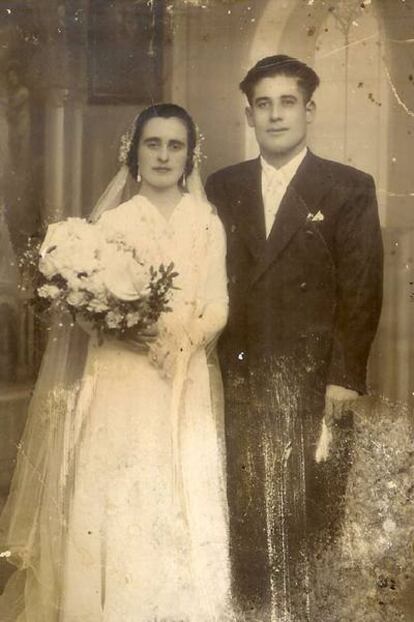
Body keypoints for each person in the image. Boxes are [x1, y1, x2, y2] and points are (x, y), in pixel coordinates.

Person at [0, 104, 233, 621]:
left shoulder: (206, 224)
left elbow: (218, 305)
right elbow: (85, 309)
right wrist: (120, 326)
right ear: (134, 152)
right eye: (154, 144)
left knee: (178, 494)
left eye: (176, 145)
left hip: (181, 375)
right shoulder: (111, 223)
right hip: (120, 379)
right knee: (117, 498)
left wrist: (179, 338)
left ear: (190, 155)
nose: (164, 156)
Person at [205, 55, 383, 621]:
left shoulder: (348, 186)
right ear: (250, 114)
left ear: (308, 109)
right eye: (264, 104)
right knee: (247, 506)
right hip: (244, 374)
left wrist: (345, 377)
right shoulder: (224, 184)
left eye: (287, 103)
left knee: (314, 507)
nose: (275, 115)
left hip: (315, 378)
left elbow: (361, 287)